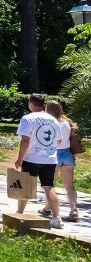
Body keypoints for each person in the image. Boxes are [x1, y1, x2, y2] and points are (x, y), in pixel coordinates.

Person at [15, 93, 62, 229]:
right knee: (49, 187)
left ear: (31, 103)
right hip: (49, 158)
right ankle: (56, 217)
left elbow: (25, 140)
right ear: (43, 105)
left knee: (26, 186)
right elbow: (58, 140)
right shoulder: (53, 120)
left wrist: (20, 158)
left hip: (31, 158)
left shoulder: (28, 118)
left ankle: (19, 213)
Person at [47, 100, 80, 223]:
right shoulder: (67, 123)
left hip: (53, 154)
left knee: (50, 184)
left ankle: (48, 208)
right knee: (69, 185)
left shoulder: (50, 123)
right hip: (67, 154)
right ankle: (74, 209)